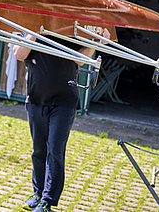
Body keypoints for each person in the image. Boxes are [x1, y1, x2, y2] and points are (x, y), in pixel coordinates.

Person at [14, 29, 110, 212]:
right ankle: (38, 193)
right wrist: (37, 29)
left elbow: (78, 60)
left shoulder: (70, 32)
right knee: (39, 150)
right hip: (36, 100)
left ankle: (47, 201)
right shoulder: (28, 29)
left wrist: (95, 42)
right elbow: (20, 54)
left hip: (64, 102)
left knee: (55, 151)